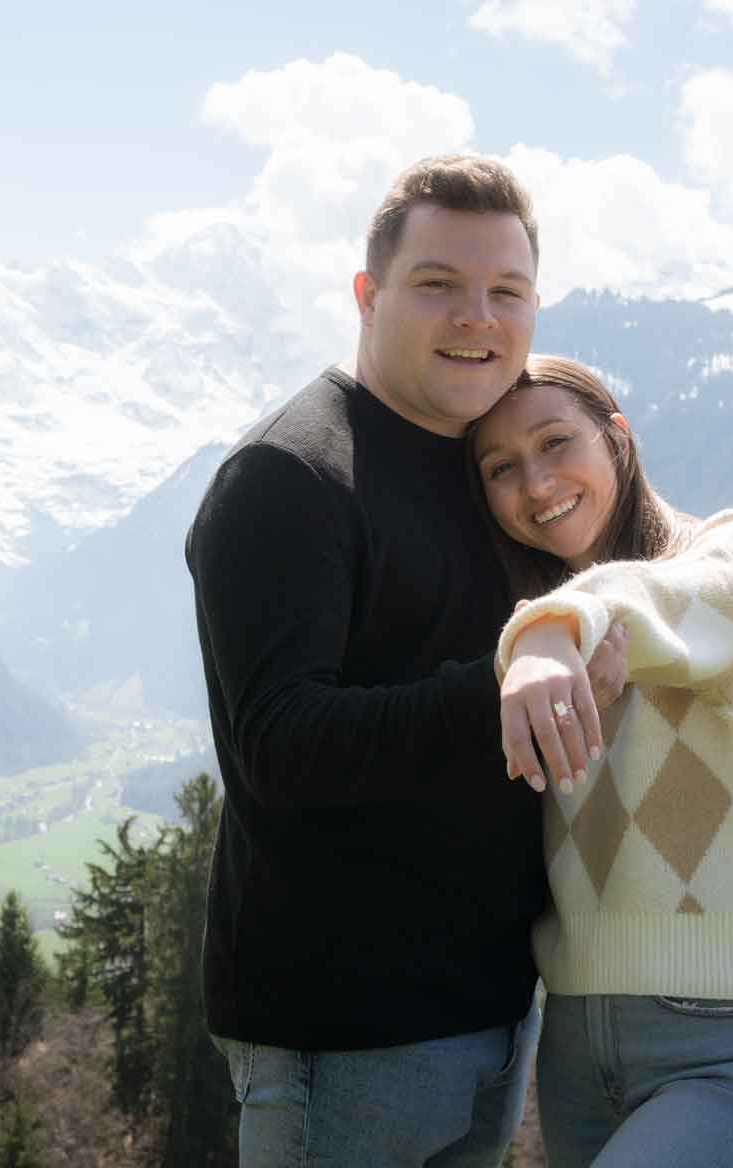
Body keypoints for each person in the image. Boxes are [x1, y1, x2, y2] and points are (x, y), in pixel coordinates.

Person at [187, 156, 620, 1166]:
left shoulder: (488, 463)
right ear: (367, 295)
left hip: (492, 1013)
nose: (478, 315)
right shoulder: (291, 475)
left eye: (505, 291)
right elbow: (281, 743)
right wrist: (501, 686)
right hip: (342, 1033)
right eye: (439, 285)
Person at [468, 355, 733, 1168]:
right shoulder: (532, 626)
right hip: (574, 1048)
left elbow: (667, 599)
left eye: (557, 443)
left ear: (618, 440)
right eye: (502, 467)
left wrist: (557, 627)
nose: (535, 483)